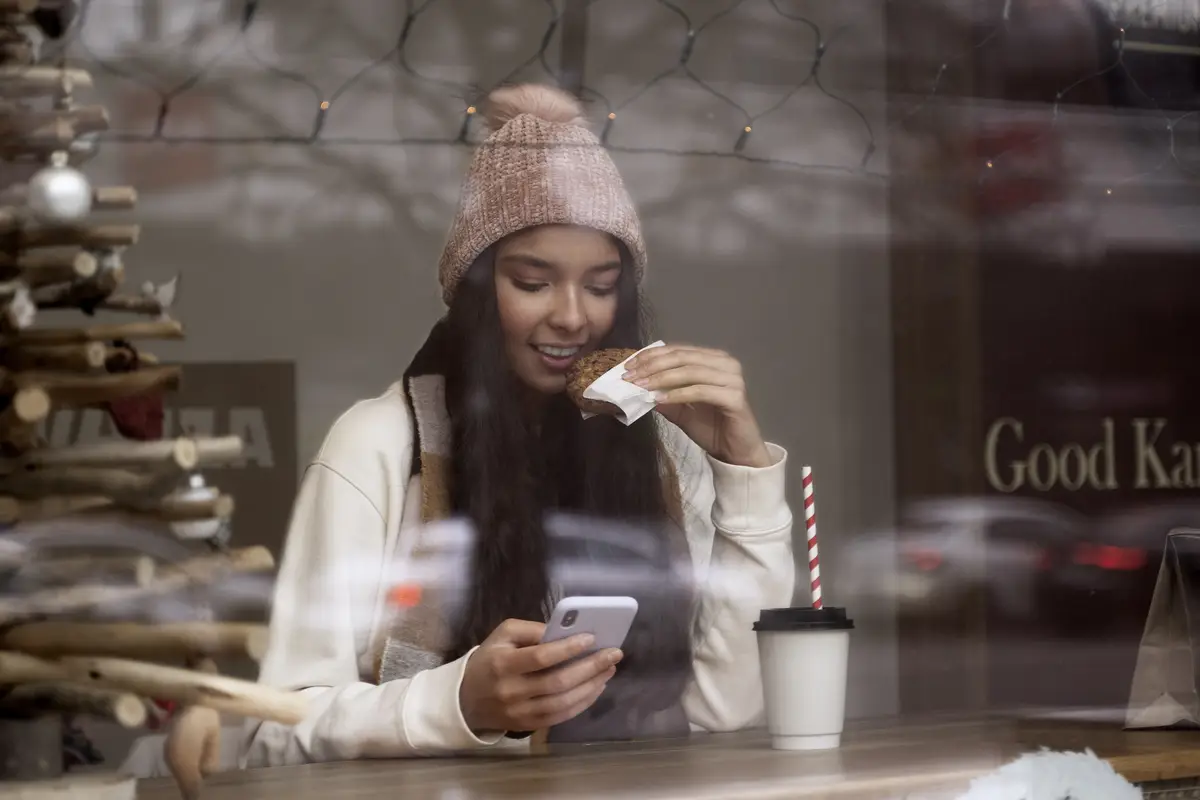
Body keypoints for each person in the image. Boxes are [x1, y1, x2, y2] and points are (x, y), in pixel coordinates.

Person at [241, 83, 795, 766]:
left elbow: (724, 715)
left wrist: (742, 469)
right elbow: (272, 731)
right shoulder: (381, 445)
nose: (572, 316)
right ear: (475, 289)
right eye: (533, 282)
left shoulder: (659, 453)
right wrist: (458, 704)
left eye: (601, 285)